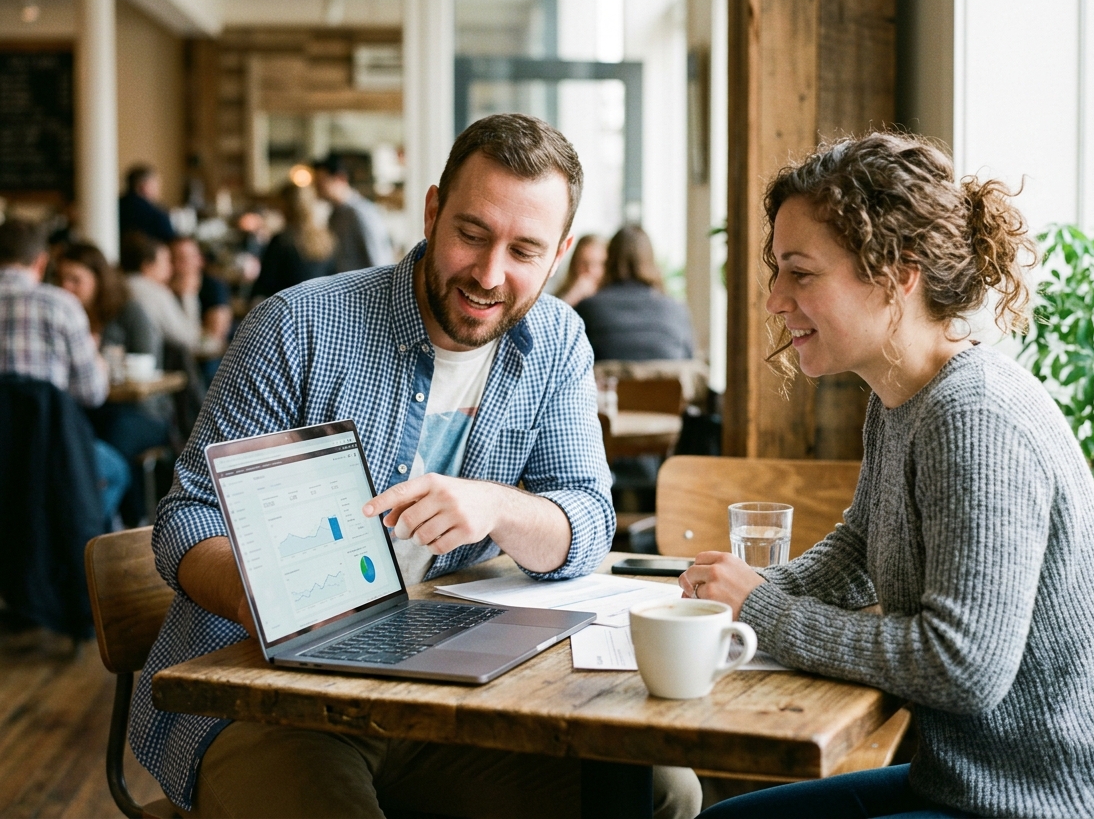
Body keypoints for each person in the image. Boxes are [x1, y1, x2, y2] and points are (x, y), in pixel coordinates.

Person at [129, 113, 701, 819]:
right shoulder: (297, 325)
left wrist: (497, 507)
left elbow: (586, 517)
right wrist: (260, 596)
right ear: (432, 211)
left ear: (561, 254)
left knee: (662, 793)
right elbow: (187, 519)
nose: (490, 275)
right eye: (471, 234)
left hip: (450, 695)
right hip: (273, 699)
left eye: (524, 250)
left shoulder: (555, 342)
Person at [683, 133, 1094, 819]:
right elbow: (861, 549)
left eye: (800, 272)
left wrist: (765, 611)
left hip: (1071, 805)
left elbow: (961, 667)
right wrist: (730, 600)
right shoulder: (902, 396)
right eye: (777, 271)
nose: (774, 299)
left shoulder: (974, 415)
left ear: (897, 273)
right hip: (975, 787)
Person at [0, 222, 127, 524]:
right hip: (47, 450)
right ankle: (76, 557)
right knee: (115, 471)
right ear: (41, 261)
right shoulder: (60, 305)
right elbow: (92, 394)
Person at [55, 241, 173, 525]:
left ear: (98, 279)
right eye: (60, 279)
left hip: (143, 411)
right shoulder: (62, 317)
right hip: (93, 410)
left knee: (107, 448)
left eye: (75, 280)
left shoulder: (129, 311)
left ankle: (111, 529)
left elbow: (148, 364)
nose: (65, 288)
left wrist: (102, 360)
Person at [574, 225, 694, 361]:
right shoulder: (676, 310)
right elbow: (688, 359)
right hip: (665, 382)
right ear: (650, 260)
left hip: (610, 383)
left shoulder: (588, 309)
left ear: (609, 260)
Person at [120, 232, 203, 356]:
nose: (170, 267)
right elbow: (188, 339)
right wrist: (189, 294)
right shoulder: (155, 292)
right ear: (147, 266)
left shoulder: (122, 285)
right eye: (165, 261)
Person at [250, 182, 337, 300]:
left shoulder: (282, 241)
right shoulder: (327, 239)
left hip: (288, 311)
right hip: (321, 310)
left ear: (285, 206)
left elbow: (264, 286)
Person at [314, 155, 394, 272]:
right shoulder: (334, 215)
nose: (317, 188)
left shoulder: (361, 214)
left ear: (340, 179)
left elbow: (379, 264)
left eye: (321, 182)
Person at [170, 236, 232, 383]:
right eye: (177, 258)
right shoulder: (164, 289)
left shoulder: (213, 286)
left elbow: (213, 339)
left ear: (200, 260)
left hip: (213, 359)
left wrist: (188, 297)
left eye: (188, 258)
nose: (182, 265)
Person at [119, 164, 176, 244]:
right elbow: (171, 241)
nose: (158, 189)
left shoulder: (114, 206)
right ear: (144, 186)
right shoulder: (156, 214)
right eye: (155, 184)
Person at [554, 232, 606, 306]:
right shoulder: (559, 298)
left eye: (598, 263)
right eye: (584, 263)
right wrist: (571, 298)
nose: (590, 270)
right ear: (574, 265)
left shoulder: (614, 297)